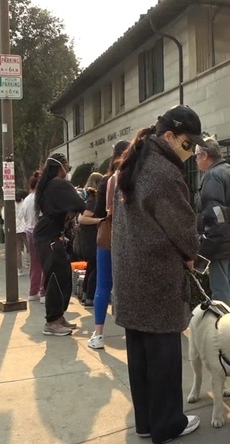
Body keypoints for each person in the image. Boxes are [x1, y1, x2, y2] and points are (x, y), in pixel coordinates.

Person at [111, 105, 205, 444]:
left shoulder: (135, 163)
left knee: (140, 357)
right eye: (188, 143)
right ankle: (168, 424)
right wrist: (191, 253)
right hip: (156, 276)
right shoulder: (164, 173)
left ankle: (147, 422)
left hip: (132, 275)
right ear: (168, 136)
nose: (192, 151)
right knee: (164, 355)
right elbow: (183, 229)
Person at [194, 136, 230, 311]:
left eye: (196, 156)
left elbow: (216, 214)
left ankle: (226, 330)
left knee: (220, 290)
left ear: (204, 155)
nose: (195, 160)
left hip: (218, 242)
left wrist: (208, 242)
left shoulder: (213, 176)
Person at [33, 153, 86, 336]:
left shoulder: (48, 185)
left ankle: (58, 317)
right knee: (56, 277)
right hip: (49, 236)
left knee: (61, 274)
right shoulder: (58, 184)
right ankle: (52, 321)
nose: (68, 170)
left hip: (47, 234)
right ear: (60, 167)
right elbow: (80, 203)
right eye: (67, 167)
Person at [87, 140, 129, 350]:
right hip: (131, 239)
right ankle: (134, 332)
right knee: (129, 285)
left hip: (107, 236)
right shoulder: (137, 177)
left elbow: (102, 212)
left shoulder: (108, 180)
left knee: (103, 285)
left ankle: (98, 334)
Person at [77, 171, 104, 307]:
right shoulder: (93, 200)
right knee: (95, 267)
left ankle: (86, 295)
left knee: (91, 266)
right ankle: (90, 297)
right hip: (91, 237)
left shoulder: (87, 197)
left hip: (86, 238)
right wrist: (99, 220)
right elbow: (82, 218)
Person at [22, 171, 45, 303]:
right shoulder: (40, 198)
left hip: (29, 231)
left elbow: (24, 217)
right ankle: (43, 292)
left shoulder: (27, 199)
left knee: (34, 263)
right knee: (45, 262)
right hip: (40, 231)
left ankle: (33, 290)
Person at [14, 189, 28, 276]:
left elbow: (4, 215)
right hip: (24, 228)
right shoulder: (24, 203)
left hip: (15, 228)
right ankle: (28, 263)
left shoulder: (11, 204)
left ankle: (19, 269)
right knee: (29, 247)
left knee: (18, 249)